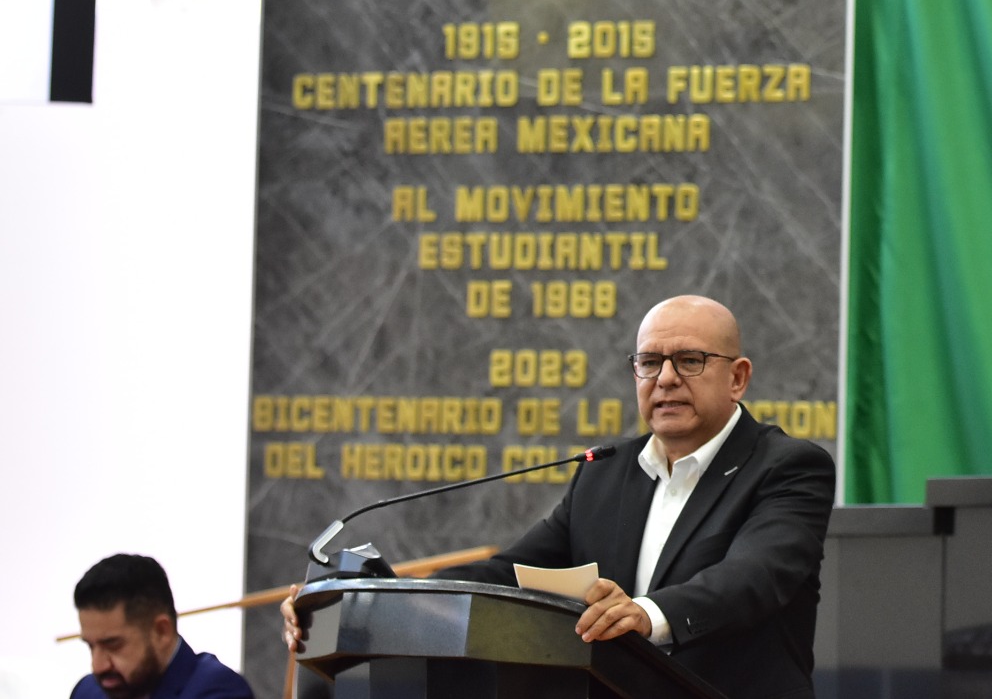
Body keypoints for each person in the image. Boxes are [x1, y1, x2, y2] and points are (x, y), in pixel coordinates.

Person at [281, 294, 836, 699]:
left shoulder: (787, 467)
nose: (665, 379)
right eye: (649, 363)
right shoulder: (606, 474)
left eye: (689, 360)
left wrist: (645, 614)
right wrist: (381, 599)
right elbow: (508, 573)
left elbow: (752, 577)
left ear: (737, 377)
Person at [73, 553, 253, 699]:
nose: (98, 666)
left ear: (161, 631)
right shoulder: (86, 692)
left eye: (113, 645)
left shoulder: (220, 690)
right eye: (91, 646)